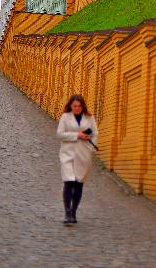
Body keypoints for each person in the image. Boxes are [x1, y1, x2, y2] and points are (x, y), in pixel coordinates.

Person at [57, 94, 98, 225]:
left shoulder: (89, 117)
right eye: (74, 106)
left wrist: (90, 144)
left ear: (83, 106)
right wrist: (77, 135)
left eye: (79, 106)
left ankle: (74, 211)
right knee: (68, 181)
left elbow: (95, 133)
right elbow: (60, 134)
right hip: (67, 154)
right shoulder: (65, 117)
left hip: (83, 154)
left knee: (79, 182)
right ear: (70, 105)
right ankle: (67, 212)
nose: (77, 108)